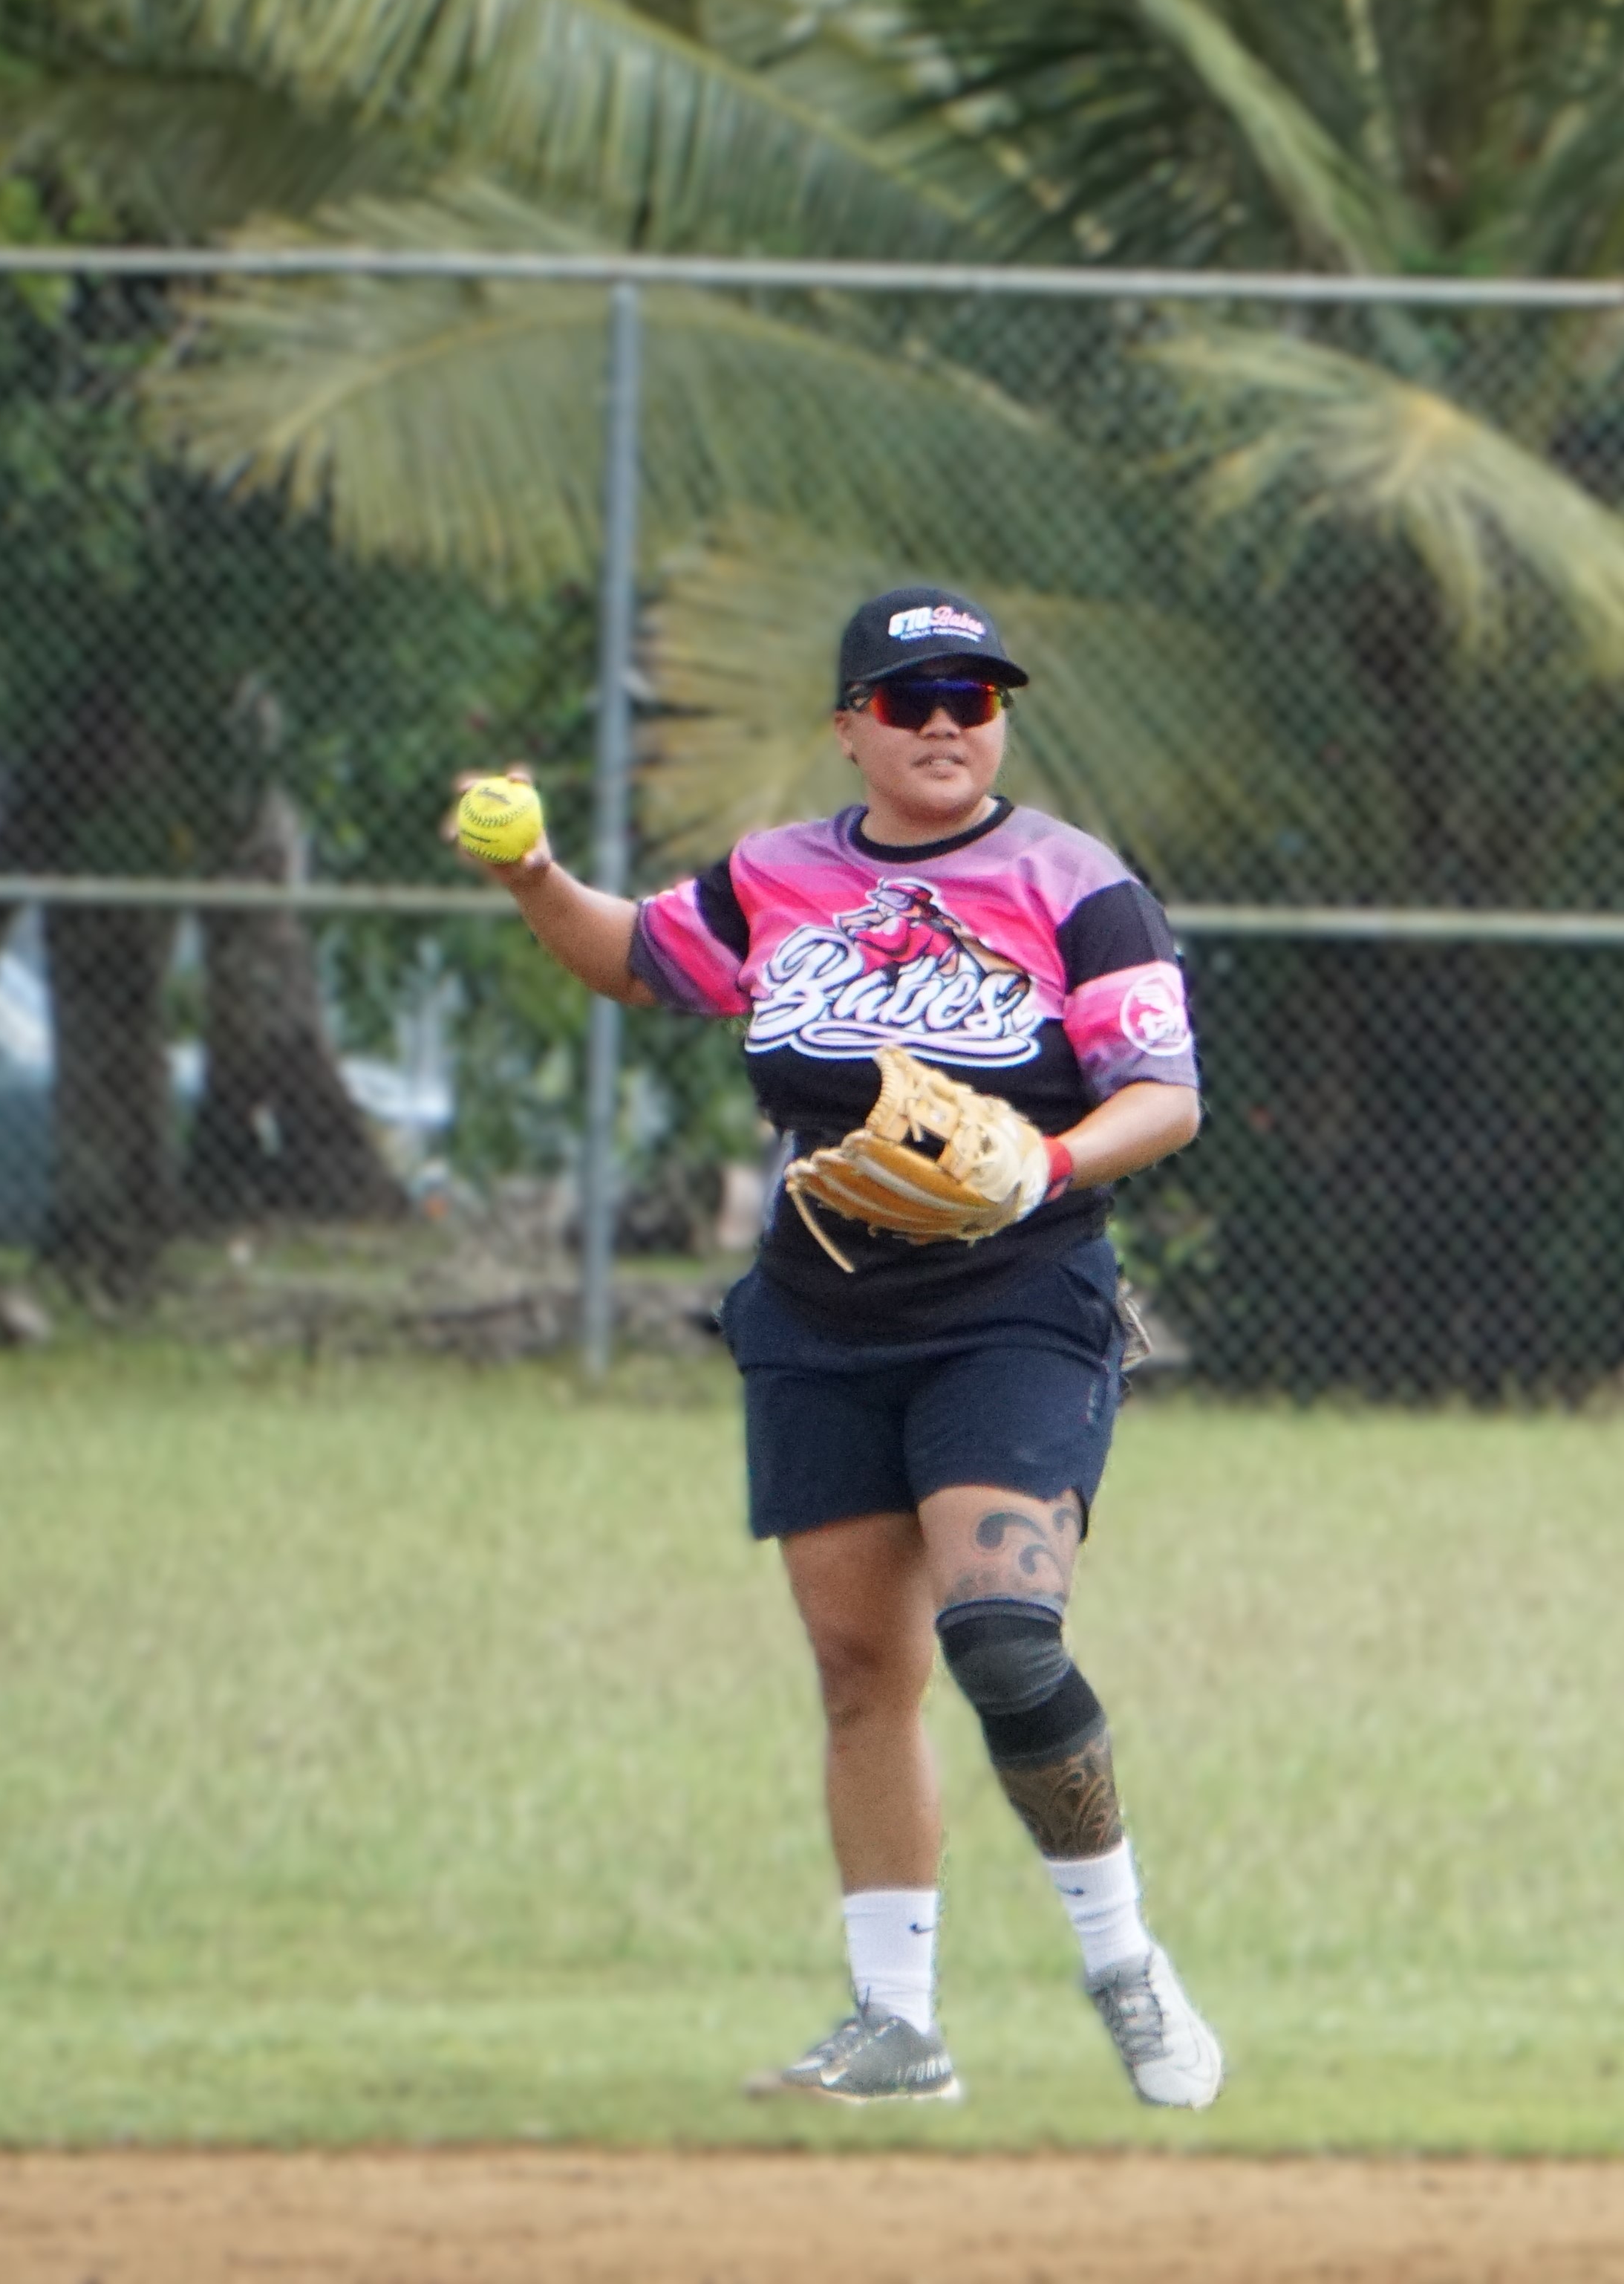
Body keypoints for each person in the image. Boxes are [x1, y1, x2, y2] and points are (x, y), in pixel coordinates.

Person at [455, 584, 1222, 2110]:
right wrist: (535, 873)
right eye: (910, 700)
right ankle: (896, 2026)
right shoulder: (774, 877)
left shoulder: (1073, 881)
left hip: (1013, 1300)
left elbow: (1165, 1089)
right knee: (859, 1663)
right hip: (819, 1310)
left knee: (1003, 1639)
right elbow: (634, 961)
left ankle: (1124, 1964)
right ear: (850, 728)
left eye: (973, 699)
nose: (946, 725)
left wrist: (1047, 1167)